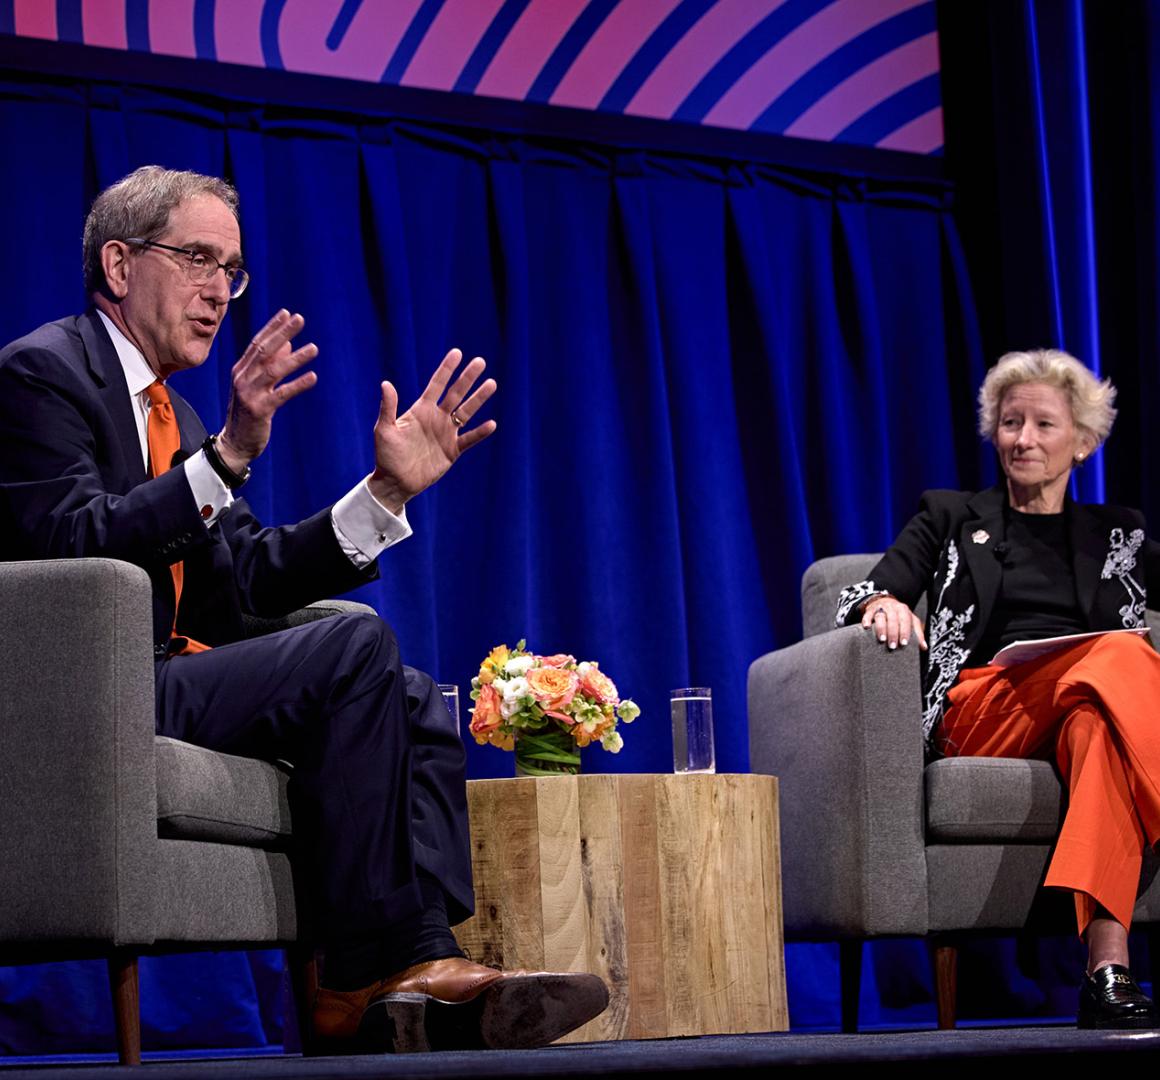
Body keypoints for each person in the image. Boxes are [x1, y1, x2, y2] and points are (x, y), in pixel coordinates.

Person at [0, 165, 607, 1053]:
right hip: (93, 692)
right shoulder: (42, 374)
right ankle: (381, 969)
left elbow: (242, 580)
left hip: (171, 677)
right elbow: (71, 544)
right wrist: (228, 456)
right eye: (198, 259)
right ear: (121, 266)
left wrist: (382, 495)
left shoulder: (175, 409)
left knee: (402, 689)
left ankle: (408, 974)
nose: (219, 291)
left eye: (232, 270)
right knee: (351, 650)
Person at [835, 348, 1160, 1030]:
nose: (1024, 440)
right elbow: (871, 587)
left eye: (1044, 425)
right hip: (986, 707)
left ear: (1084, 443)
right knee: (1123, 656)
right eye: (1011, 423)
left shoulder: (1118, 533)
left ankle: (1106, 970)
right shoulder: (951, 515)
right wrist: (880, 606)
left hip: (1083, 702)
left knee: (1101, 727)